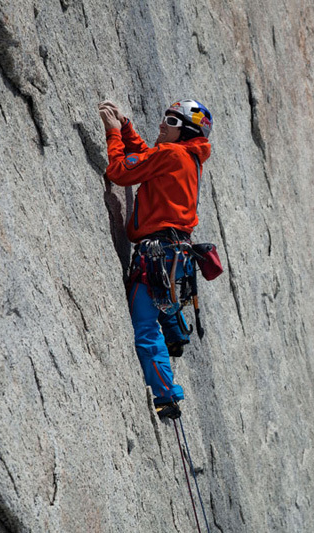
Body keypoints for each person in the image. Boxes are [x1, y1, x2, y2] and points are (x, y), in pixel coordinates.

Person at [98, 99, 213, 419]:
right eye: (166, 117)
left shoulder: (172, 154)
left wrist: (113, 133)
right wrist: (127, 128)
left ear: (186, 132)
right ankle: (175, 331)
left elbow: (120, 172)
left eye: (172, 122)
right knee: (162, 298)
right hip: (176, 254)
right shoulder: (187, 157)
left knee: (145, 328)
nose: (163, 124)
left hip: (155, 255)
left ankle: (167, 395)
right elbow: (148, 159)